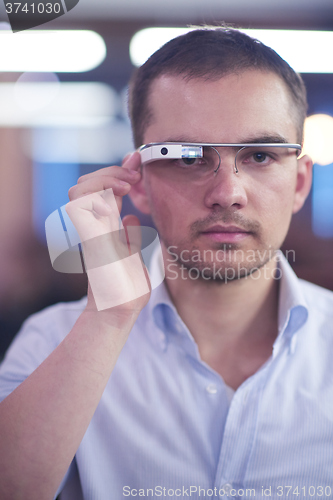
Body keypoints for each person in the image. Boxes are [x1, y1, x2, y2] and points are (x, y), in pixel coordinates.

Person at [1, 26, 333, 500]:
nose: (228, 194)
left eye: (260, 155)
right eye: (187, 158)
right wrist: (108, 317)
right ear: (136, 183)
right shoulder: (50, 344)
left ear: (300, 182)